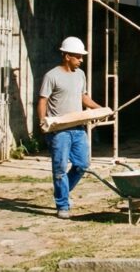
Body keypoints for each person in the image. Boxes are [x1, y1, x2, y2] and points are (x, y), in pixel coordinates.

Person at [38, 36, 102, 219]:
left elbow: (83, 97)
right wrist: (43, 122)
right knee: (59, 169)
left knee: (82, 165)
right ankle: (63, 204)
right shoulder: (52, 76)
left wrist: (100, 109)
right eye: (78, 57)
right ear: (67, 56)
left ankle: (62, 192)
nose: (81, 60)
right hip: (59, 131)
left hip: (78, 129)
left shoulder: (80, 75)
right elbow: (43, 100)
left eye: (82, 57)